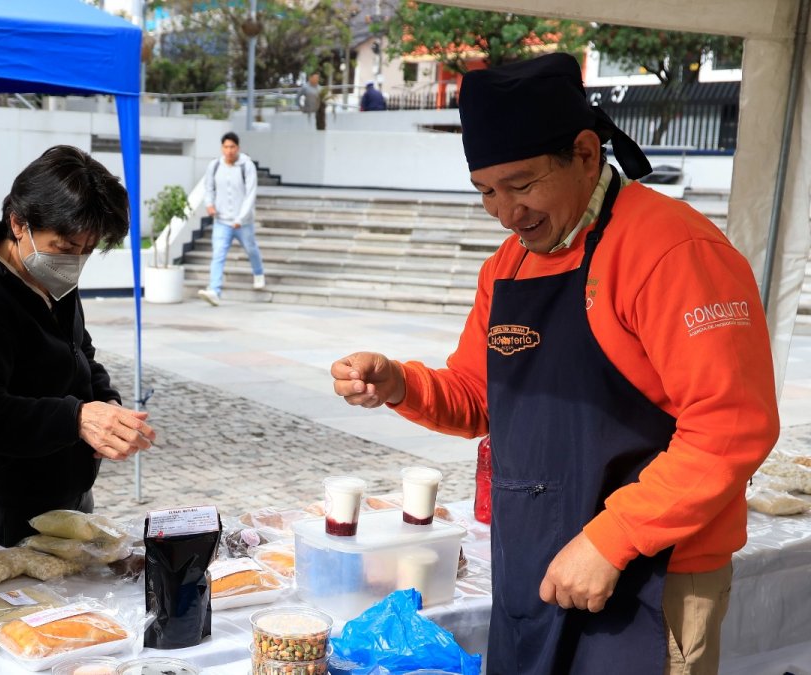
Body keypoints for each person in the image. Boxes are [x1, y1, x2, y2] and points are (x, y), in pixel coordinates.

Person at [331, 53, 778, 674]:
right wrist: (401, 384)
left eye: (522, 185)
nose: (506, 213)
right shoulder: (508, 266)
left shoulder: (674, 251)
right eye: (486, 191)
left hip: (655, 574)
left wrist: (611, 539)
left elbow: (731, 425)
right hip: (540, 564)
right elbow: (480, 397)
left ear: (587, 155)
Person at [0, 145, 156, 547]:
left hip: (70, 487)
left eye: (87, 250)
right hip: (10, 506)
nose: (75, 260)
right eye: (66, 248)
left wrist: (106, 402)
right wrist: (77, 418)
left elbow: (80, 351)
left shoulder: (51, 275)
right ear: (18, 223)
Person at [197, 132, 265, 306]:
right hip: (222, 221)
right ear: (222, 148)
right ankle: (214, 290)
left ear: (238, 148)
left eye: (232, 147)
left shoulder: (246, 166)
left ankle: (258, 273)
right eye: (226, 147)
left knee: (251, 249)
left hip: (243, 222)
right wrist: (209, 204)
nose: (229, 151)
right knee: (218, 254)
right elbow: (208, 187)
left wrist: (240, 218)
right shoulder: (214, 165)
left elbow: (250, 194)